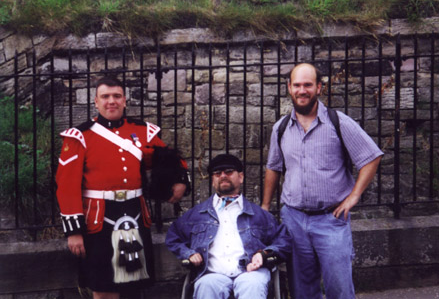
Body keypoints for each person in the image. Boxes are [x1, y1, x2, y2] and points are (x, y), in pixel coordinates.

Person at [56, 76, 190, 299]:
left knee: (133, 287)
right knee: (104, 288)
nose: (111, 101)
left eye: (116, 96)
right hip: (98, 219)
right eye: (105, 97)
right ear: (96, 102)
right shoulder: (80, 136)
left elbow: (170, 159)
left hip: (136, 214)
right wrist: (74, 231)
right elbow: (66, 185)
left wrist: (180, 181)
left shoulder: (142, 131)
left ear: (125, 101)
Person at [262, 63, 384, 299]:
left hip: (331, 220)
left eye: (308, 85)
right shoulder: (281, 128)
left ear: (319, 87)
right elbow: (273, 168)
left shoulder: (339, 123)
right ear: (289, 88)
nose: (302, 90)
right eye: (297, 85)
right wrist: (266, 207)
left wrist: (354, 196)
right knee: (302, 290)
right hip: (294, 220)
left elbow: (371, 157)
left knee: (339, 288)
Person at [166, 154, 291, 299]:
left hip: (251, 273)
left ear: (241, 177)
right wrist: (189, 253)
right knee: (205, 286)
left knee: (253, 287)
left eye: (229, 172)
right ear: (213, 181)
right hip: (212, 273)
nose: (223, 176)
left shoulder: (259, 215)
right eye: (218, 174)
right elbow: (173, 237)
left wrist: (264, 254)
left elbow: (283, 241)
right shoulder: (195, 215)